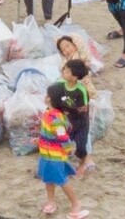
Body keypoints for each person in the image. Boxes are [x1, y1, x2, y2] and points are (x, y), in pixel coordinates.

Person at [37, 83, 89, 219]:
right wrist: (40, 140)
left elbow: (62, 136)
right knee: (48, 178)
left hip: (54, 156)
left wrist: (68, 150)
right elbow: (49, 132)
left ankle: (76, 204)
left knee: (62, 181)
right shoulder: (48, 112)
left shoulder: (57, 119)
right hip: (46, 154)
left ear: (50, 99)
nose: (45, 97)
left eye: (47, 95)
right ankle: (51, 201)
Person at [58, 59, 92, 177]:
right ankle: (62, 165)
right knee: (62, 144)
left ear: (74, 77)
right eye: (65, 69)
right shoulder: (61, 84)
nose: (64, 72)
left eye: (67, 71)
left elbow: (84, 109)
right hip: (66, 122)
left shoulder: (81, 90)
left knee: (81, 147)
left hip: (80, 124)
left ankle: (82, 164)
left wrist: (69, 108)